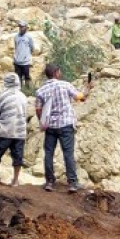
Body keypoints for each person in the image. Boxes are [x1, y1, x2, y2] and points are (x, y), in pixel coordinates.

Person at [34, 63, 87, 194]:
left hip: (50, 125)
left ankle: (49, 182)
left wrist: (43, 122)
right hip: (66, 124)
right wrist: (87, 88)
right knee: (68, 153)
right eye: (59, 71)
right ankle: (73, 183)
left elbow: (38, 109)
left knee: (48, 153)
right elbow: (80, 97)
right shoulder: (65, 85)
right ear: (56, 72)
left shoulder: (41, 91)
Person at [0, 72, 28, 186]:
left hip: (5, 130)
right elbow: (25, 113)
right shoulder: (23, 96)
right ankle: (15, 180)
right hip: (19, 131)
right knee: (17, 157)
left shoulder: (2, 95)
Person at [12, 21, 35, 87]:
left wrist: (26, 55)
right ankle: (20, 90)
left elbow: (32, 48)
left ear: (26, 27)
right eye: (20, 27)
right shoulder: (16, 37)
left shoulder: (29, 37)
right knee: (18, 78)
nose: (21, 28)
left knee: (27, 77)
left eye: (22, 27)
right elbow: (16, 47)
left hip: (25, 62)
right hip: (17, 61)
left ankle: (28, 91)